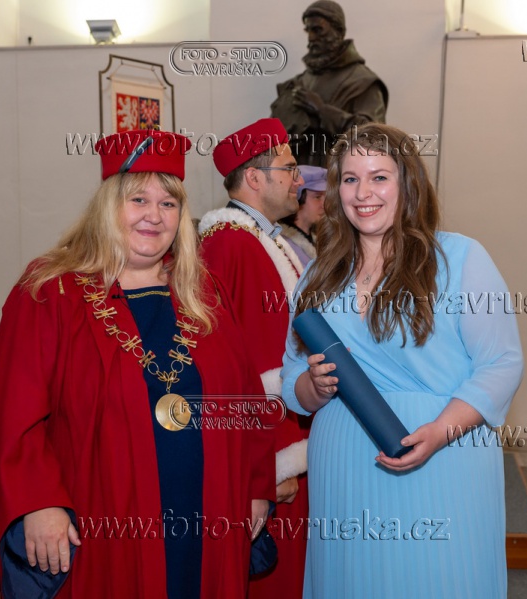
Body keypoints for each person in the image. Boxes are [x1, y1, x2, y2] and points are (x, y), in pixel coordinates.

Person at [0, 129, 276, 599]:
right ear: (107, 206)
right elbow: (15, 415)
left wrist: (257, 486)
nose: (154, 215)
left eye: (168, 203)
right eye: (138, 199)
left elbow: (245, 400)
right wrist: (37, 503)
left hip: (212, 517)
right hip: (106, 521)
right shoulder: (51, 293)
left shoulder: (205, 293)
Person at [281, 123, 524, 598]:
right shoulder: (319, 273)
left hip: (444, 457)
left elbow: (502, 363)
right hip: (344, 463)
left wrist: (441, 431)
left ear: (407, 183)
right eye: (350, 179)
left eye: (379, 177)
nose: (363, 193)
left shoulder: (459, 258)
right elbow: (293, 372)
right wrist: (313, 386)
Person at [198, 118, 310, 599]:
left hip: (286, 438)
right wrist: (268, 467)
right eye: (289, 168)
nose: (299, 179)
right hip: (271, 451)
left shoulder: (267, 240)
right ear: (255, 178)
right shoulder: (231, 245)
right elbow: (239, 372)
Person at [270, 0, 388, 166]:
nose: (311, 37)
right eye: (308, 30)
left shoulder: (362, 81)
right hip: (295, 179)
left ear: (339, 31)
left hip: (340, 177)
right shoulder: (298, 83)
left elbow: (374, 138)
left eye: (318, 30)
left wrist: (322, 110)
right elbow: (274, 140)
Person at [280, 165, 327, 267]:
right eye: (317, 197)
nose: (324, 205)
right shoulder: (284, 245)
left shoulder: (317, 242)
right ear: (298, 199)